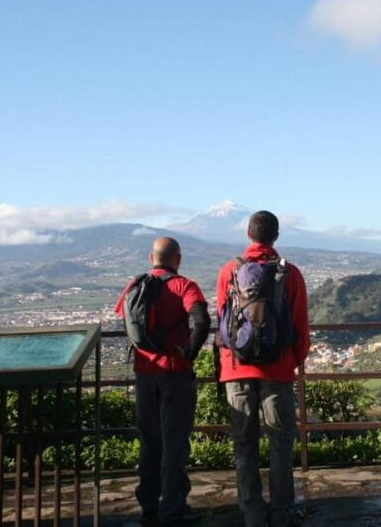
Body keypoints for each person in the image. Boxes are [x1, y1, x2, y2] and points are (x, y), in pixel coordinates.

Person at [215, 210, 310, 527]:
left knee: (244, 443)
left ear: (248, 234)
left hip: (236, 369)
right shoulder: (290, 273)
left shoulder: (228, 271)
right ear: (276, 236)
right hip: (277, 370)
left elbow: (223, 321)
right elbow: (301, 327)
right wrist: (290, 362)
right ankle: (281, 513)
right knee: (280, 442)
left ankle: (252, 513)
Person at [114, 237, 211, 526]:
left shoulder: (135, 285)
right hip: (175, 373)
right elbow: (202, 321)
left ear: (151, 258)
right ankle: (173, 508)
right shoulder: (184, 286)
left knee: (150, 442)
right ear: (178, 259)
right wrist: (190, 351)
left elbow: (127, 321)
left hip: (144, 374)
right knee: (175, 443)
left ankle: (148, 505)